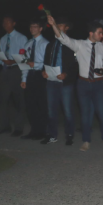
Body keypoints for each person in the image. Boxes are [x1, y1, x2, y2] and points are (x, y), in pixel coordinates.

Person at [47, 15, 103, 152]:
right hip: (83, 84)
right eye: (99, 33)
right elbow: (63, 38)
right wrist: (53, 25)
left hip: (98, 83)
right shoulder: (80, 45)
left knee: (102, 112)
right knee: (85, 113)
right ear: (91, 33)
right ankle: (86, 140)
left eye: (102, 33)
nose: (102, 35)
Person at [42, 17, 78, 145]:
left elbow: (76, 65)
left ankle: (69, 135)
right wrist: (44, 71)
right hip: (51, 81)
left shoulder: (71, 44)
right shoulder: (50, 44)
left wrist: (66, 74)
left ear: (66, 27)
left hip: (65, 83)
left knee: (68, 110)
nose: (56, 27)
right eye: (55, 25)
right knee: (51, 110)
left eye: (60, 25)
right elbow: (45, 61)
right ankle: (51, 135)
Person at [0, 15, 28, 136]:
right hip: (5, 71)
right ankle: (4, 126)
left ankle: (18, 128)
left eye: (8, 22)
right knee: (2, 99)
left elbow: (25, 57)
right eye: (4, 22)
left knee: (18, 100)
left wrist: (12, 61)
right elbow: (3, 58)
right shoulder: (2, 39)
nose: (5, 24)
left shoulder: (22, 38)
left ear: (14, 23)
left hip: (16, 70)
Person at [20, 19, 49, 140]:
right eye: (31, 26)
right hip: (30, 75)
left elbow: (46, 62)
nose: (32, 29)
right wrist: (24, 79)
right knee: (30, 104)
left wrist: (35, 64)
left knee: (41, 104)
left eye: (35, 26)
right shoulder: (28, 44)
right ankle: (34, 130)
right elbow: (25, 62)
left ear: (41, 28)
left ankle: (43, 131)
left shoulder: (45, 43)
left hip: (40, 76)